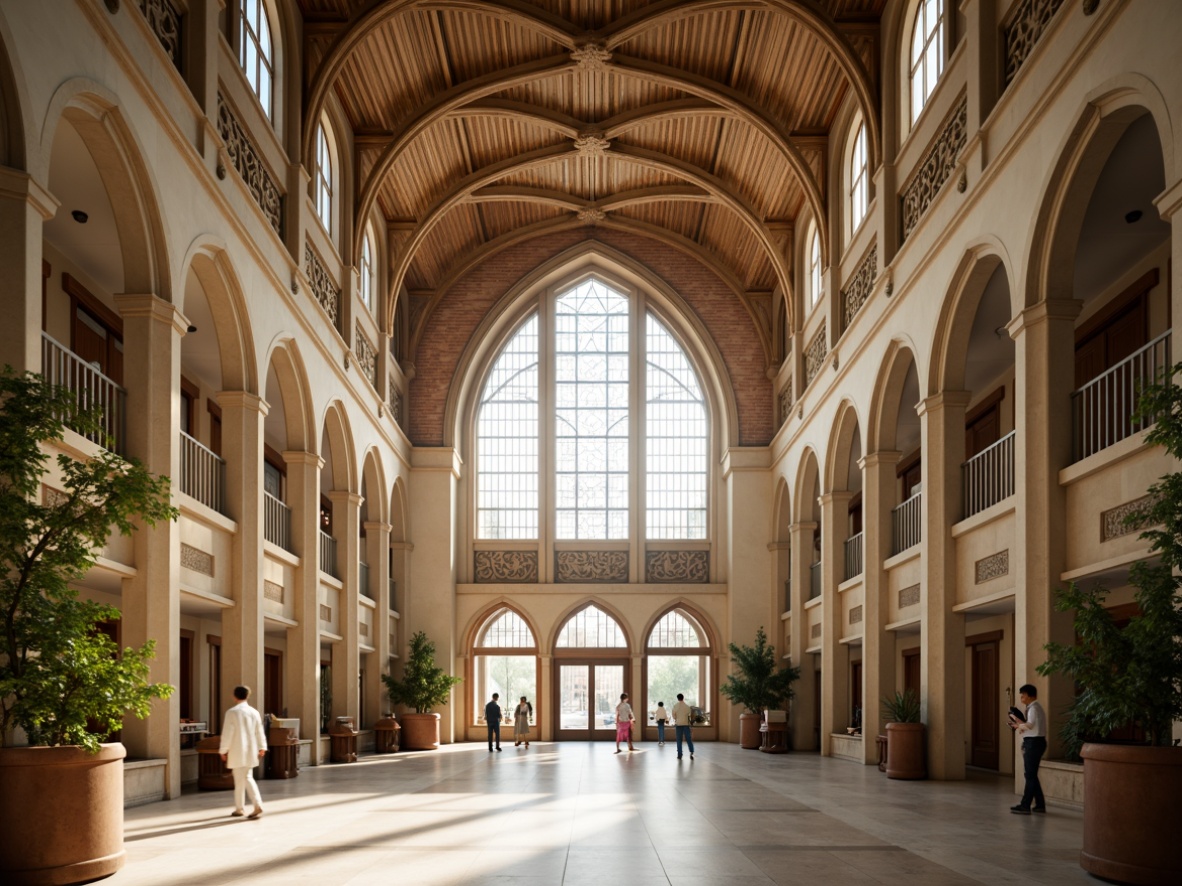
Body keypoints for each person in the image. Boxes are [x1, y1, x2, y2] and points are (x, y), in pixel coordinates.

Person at [218, 685, 267, 820]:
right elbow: (259, 731)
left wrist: (223, 750)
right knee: (243, 778)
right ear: (247, 695)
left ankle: (254, 805)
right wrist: (262, 746)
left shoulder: (232, 712)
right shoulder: (254, 712)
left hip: (237, 750)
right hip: (250, 751)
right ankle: (240, 807)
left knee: (244, 778)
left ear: (234, 696)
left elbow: (227, 733)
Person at [1008, 683, 1047, 814]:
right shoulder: (1035, 707)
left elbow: (1030, 725)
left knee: (1030, 775)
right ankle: (1040, 805)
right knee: (1031, 775)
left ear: (1030, 696)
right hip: (1035, 742)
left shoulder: (1033, 708)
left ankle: (1025, 806)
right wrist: (1020, 725)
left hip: (1033, 743)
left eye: (1023, 695)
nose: (1021, 698)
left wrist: (1018, 726)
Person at [671, 692, 695, 760]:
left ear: (677, 698)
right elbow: (690, 715)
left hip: (678, 724)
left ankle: (680, 754)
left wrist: (676, 718)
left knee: (679, 740)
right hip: (686, 724)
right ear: (683, 698)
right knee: (688, 739)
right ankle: (691, 752)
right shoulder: (687, 706)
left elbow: (673, 714)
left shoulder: (676, 706)